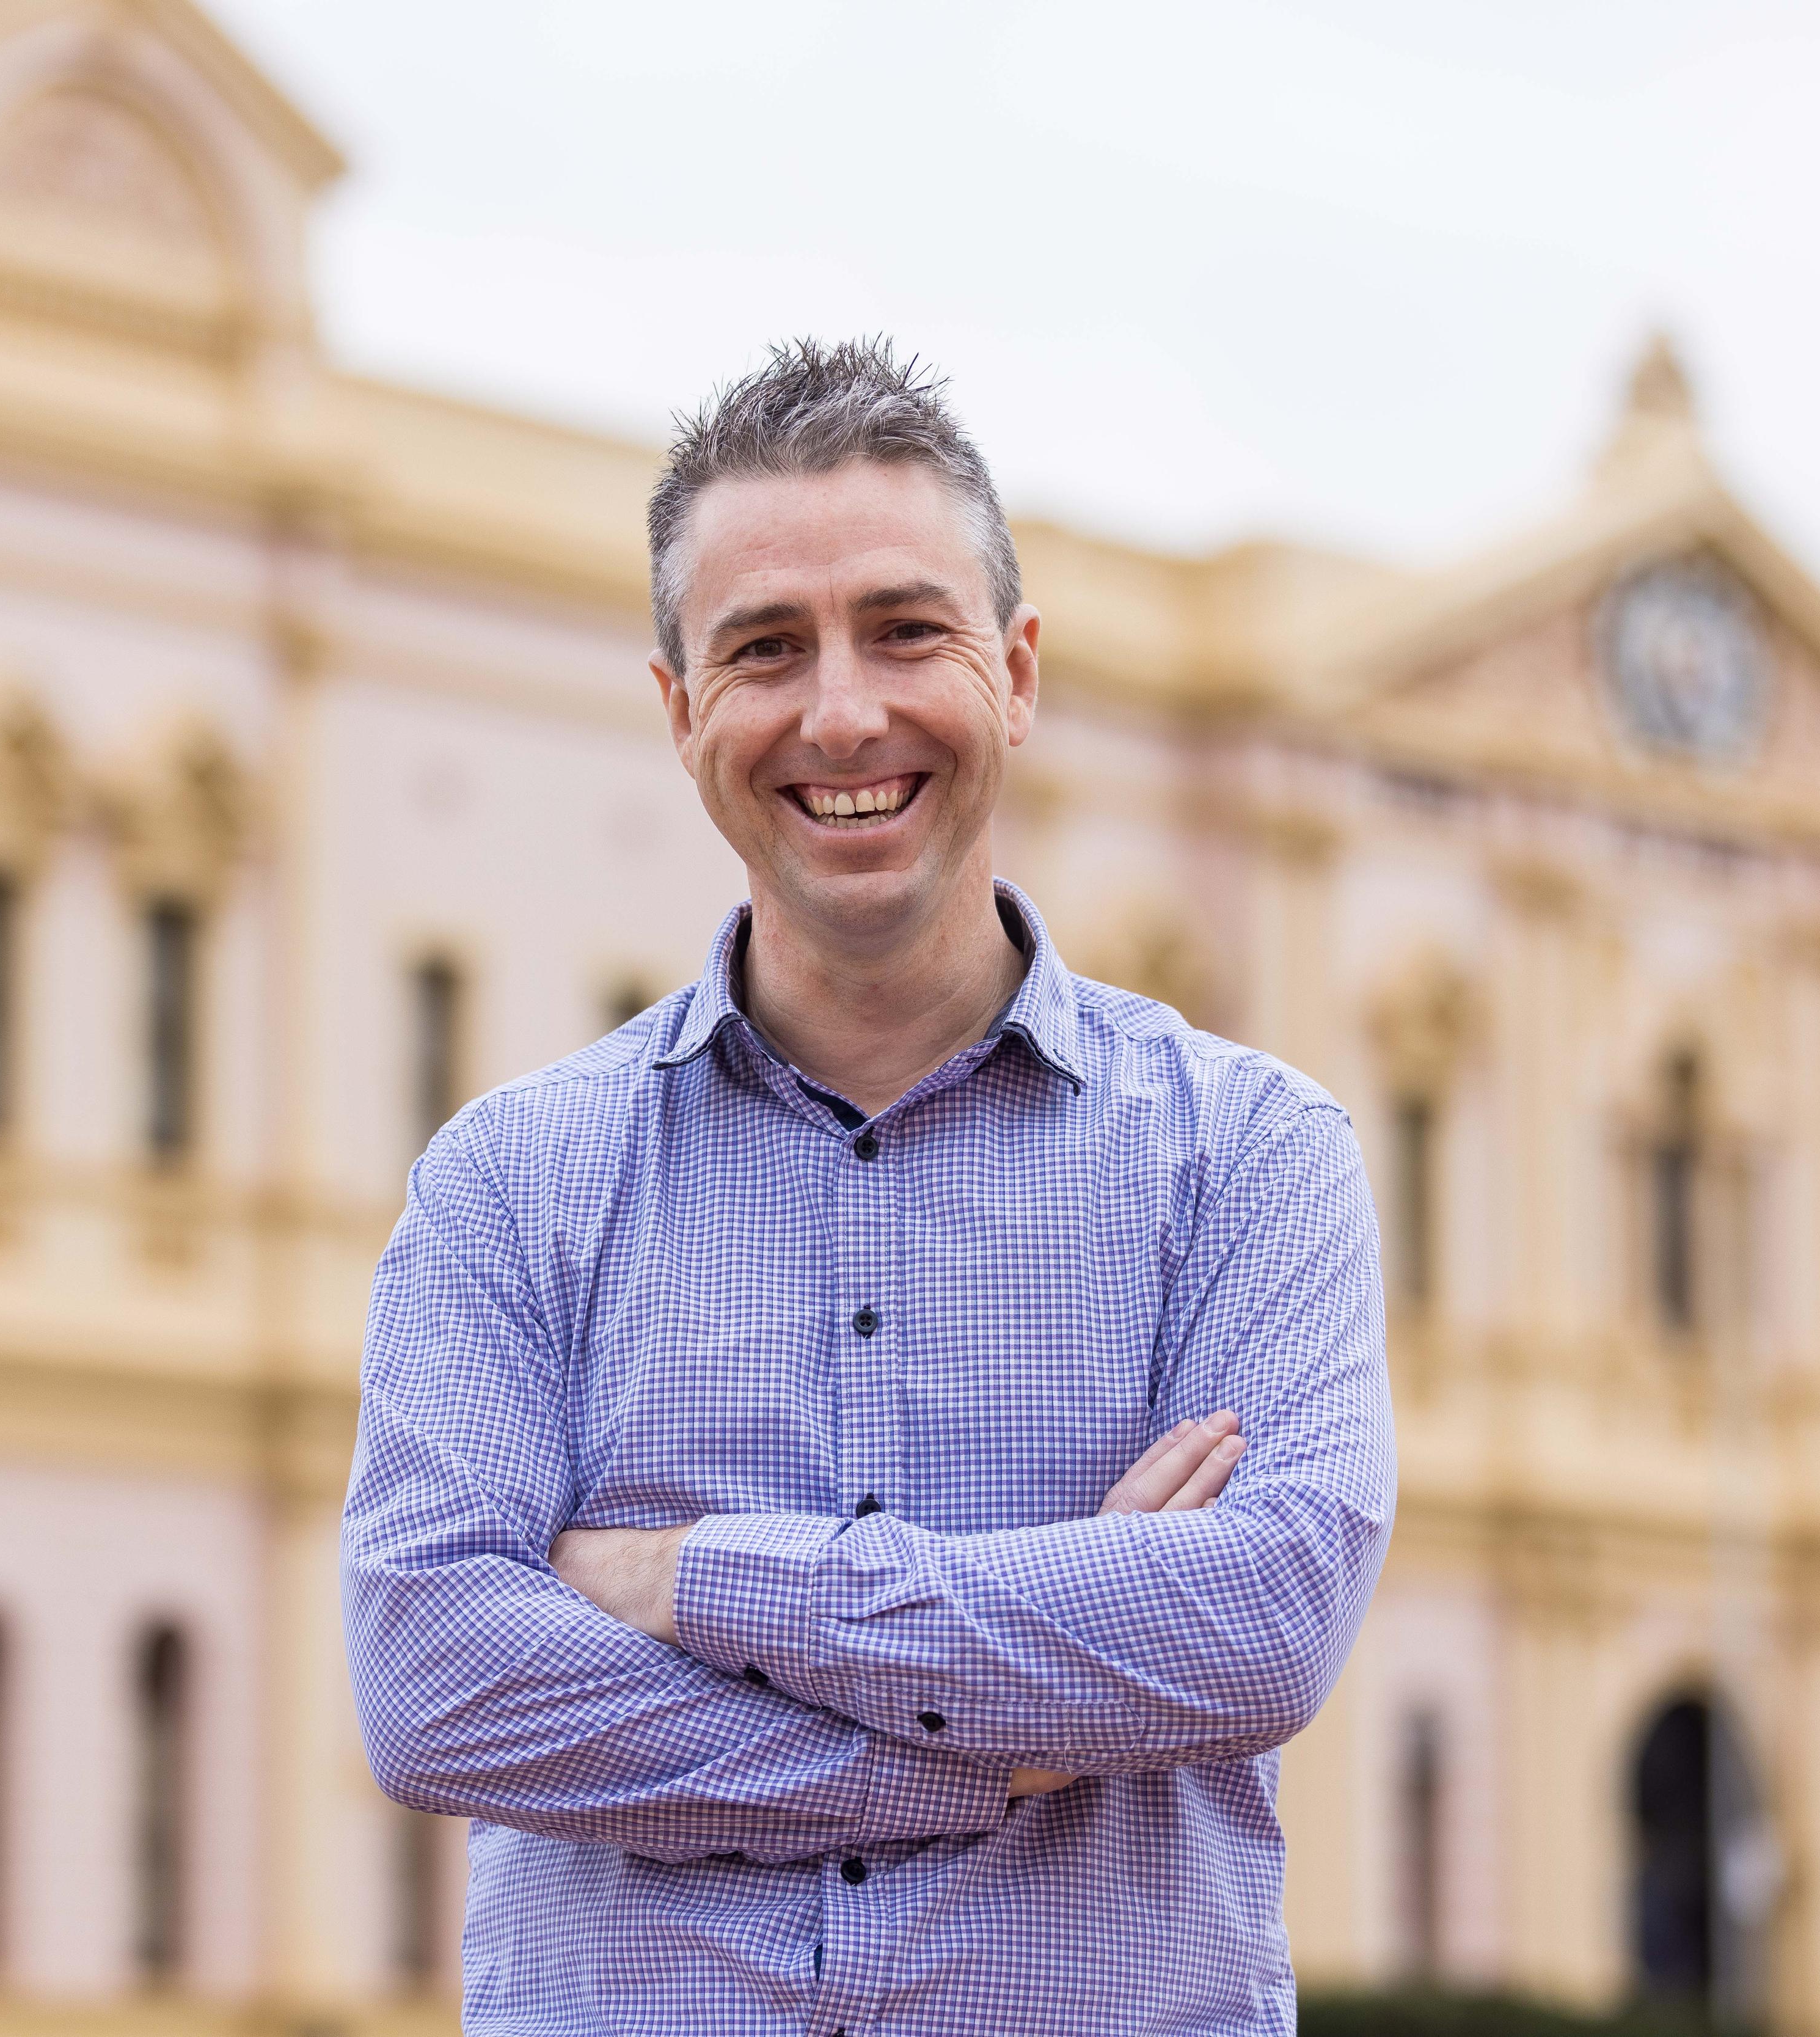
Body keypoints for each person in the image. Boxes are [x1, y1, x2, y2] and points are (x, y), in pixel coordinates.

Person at [341, 337, 1394, 2035]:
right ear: (683, 713)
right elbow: (436, 1690)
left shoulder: (1250, 1159)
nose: (842, 713)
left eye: (907, 632)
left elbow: (1259, 1628)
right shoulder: (508, 1190)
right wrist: (1017, 1735)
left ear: (1017, 673)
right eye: (766, 651)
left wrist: (693, 1585)